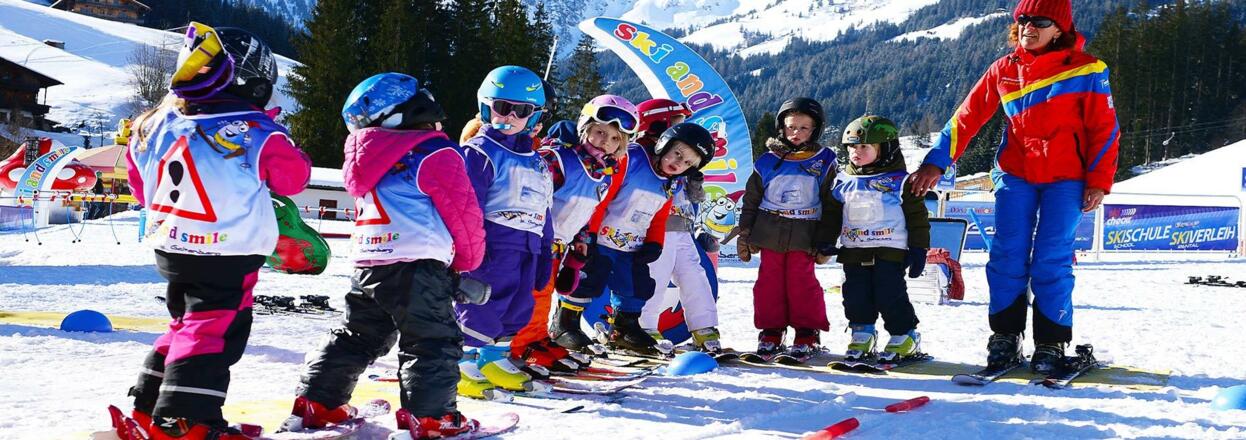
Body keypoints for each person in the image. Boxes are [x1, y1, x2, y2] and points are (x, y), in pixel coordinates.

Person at [117, 22, 310, 440]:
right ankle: (187, 422)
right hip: (227, 250)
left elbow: (138, 186)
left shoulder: (151, 125)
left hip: (171, 246)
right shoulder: (256, 131)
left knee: (186, 324)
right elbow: (292, 179)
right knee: (215, 332)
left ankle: (148, 409)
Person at [907, 0, 1119, 374]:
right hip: (1015, 173)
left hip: (1067, 178)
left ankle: (1051, 341)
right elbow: (966, 118)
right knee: (1007, 256)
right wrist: (935, 162)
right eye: (1022, 20)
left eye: (1040, 21)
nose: (1028, 27)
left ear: (1060, 29)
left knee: (1051, 259)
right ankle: (1005, 336)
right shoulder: (1004, 69)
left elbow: (1104, 130)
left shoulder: (1088, 70)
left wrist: (1099, 181)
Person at [277, 73, 487, 438]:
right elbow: (463, 213)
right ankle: (432, 418)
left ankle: (319, 402)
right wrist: (467, 260)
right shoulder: (435, 153)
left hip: (369, 262)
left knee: (358, 334)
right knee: (431, 339)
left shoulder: (366, 158)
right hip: (417, 263)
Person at [551, 122, 715, 354]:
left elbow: (659, 216)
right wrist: (589, 235)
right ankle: (565, 324)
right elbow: (603, 198)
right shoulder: (632, 159)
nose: (678, 163)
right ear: (663, 144)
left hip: (632, 246)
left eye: (687, 163)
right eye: (677, 154)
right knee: (587, 280)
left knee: (636, 285)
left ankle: (623, 329)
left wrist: (655, 243)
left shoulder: (671, 182)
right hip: (601, 239)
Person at [512, 95, 638, 372]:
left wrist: (579, 247)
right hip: (530, 242)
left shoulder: (602, 171)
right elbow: (533, 199)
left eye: (615, 138)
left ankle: (537, 339)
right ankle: (519, 346)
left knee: (544, 295)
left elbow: (585, 212)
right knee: (529, 295)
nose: (605, 141)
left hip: (557, 246)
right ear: (585, 127)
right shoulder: (557, 159)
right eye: (600, 132)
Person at [456, 65, 555, 394]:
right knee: (482, 306)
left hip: (527, 248)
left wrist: (544, 256)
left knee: (517, 307)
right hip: (491, 247)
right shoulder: (480, 152)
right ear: (486, 107)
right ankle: (459, 362)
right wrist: (469, 253)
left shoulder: (538, 162)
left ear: (535, 115)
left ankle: (493, 359)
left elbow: (545, 213)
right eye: (502, 107)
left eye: (521, 110)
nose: (510, 117)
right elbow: (466, 206)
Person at [736, 97, 838, 359]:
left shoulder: (824, 160)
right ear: (781, 127)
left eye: (804, 128)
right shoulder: (767, 161)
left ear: (815, 129)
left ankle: (807, 331)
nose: (797, 133)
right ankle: (771, 330)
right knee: (769, 283)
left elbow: (831, 202)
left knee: (801, 281)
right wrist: (745, 232)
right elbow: (752, 199)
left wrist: (826, 239)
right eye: (792, 127)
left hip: (805, 233)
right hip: (770, 230)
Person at [826, 115, 930, 362]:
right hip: (853, 252)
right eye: (852, 146)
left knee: (890, 295)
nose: (856, 152)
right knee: (855, 295)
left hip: (890, 252)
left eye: (864, 146)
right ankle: (862, 333)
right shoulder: (842, 182)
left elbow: (917, 218)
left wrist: (919, 249)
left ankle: (904, 335)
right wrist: (825, 240)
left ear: (885, 149)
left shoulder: (901, 182)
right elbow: (831, 215)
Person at [632, 98, 723, 352]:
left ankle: (704, 327)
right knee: (655, 277)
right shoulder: (643, 155)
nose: (680, 129)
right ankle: (644, 325)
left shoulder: (680, 158)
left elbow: (687, 195)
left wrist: (694, 183)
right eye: (676, 123)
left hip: (681, 229)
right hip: (655, 230)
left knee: (695, 276)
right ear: (656, 123)